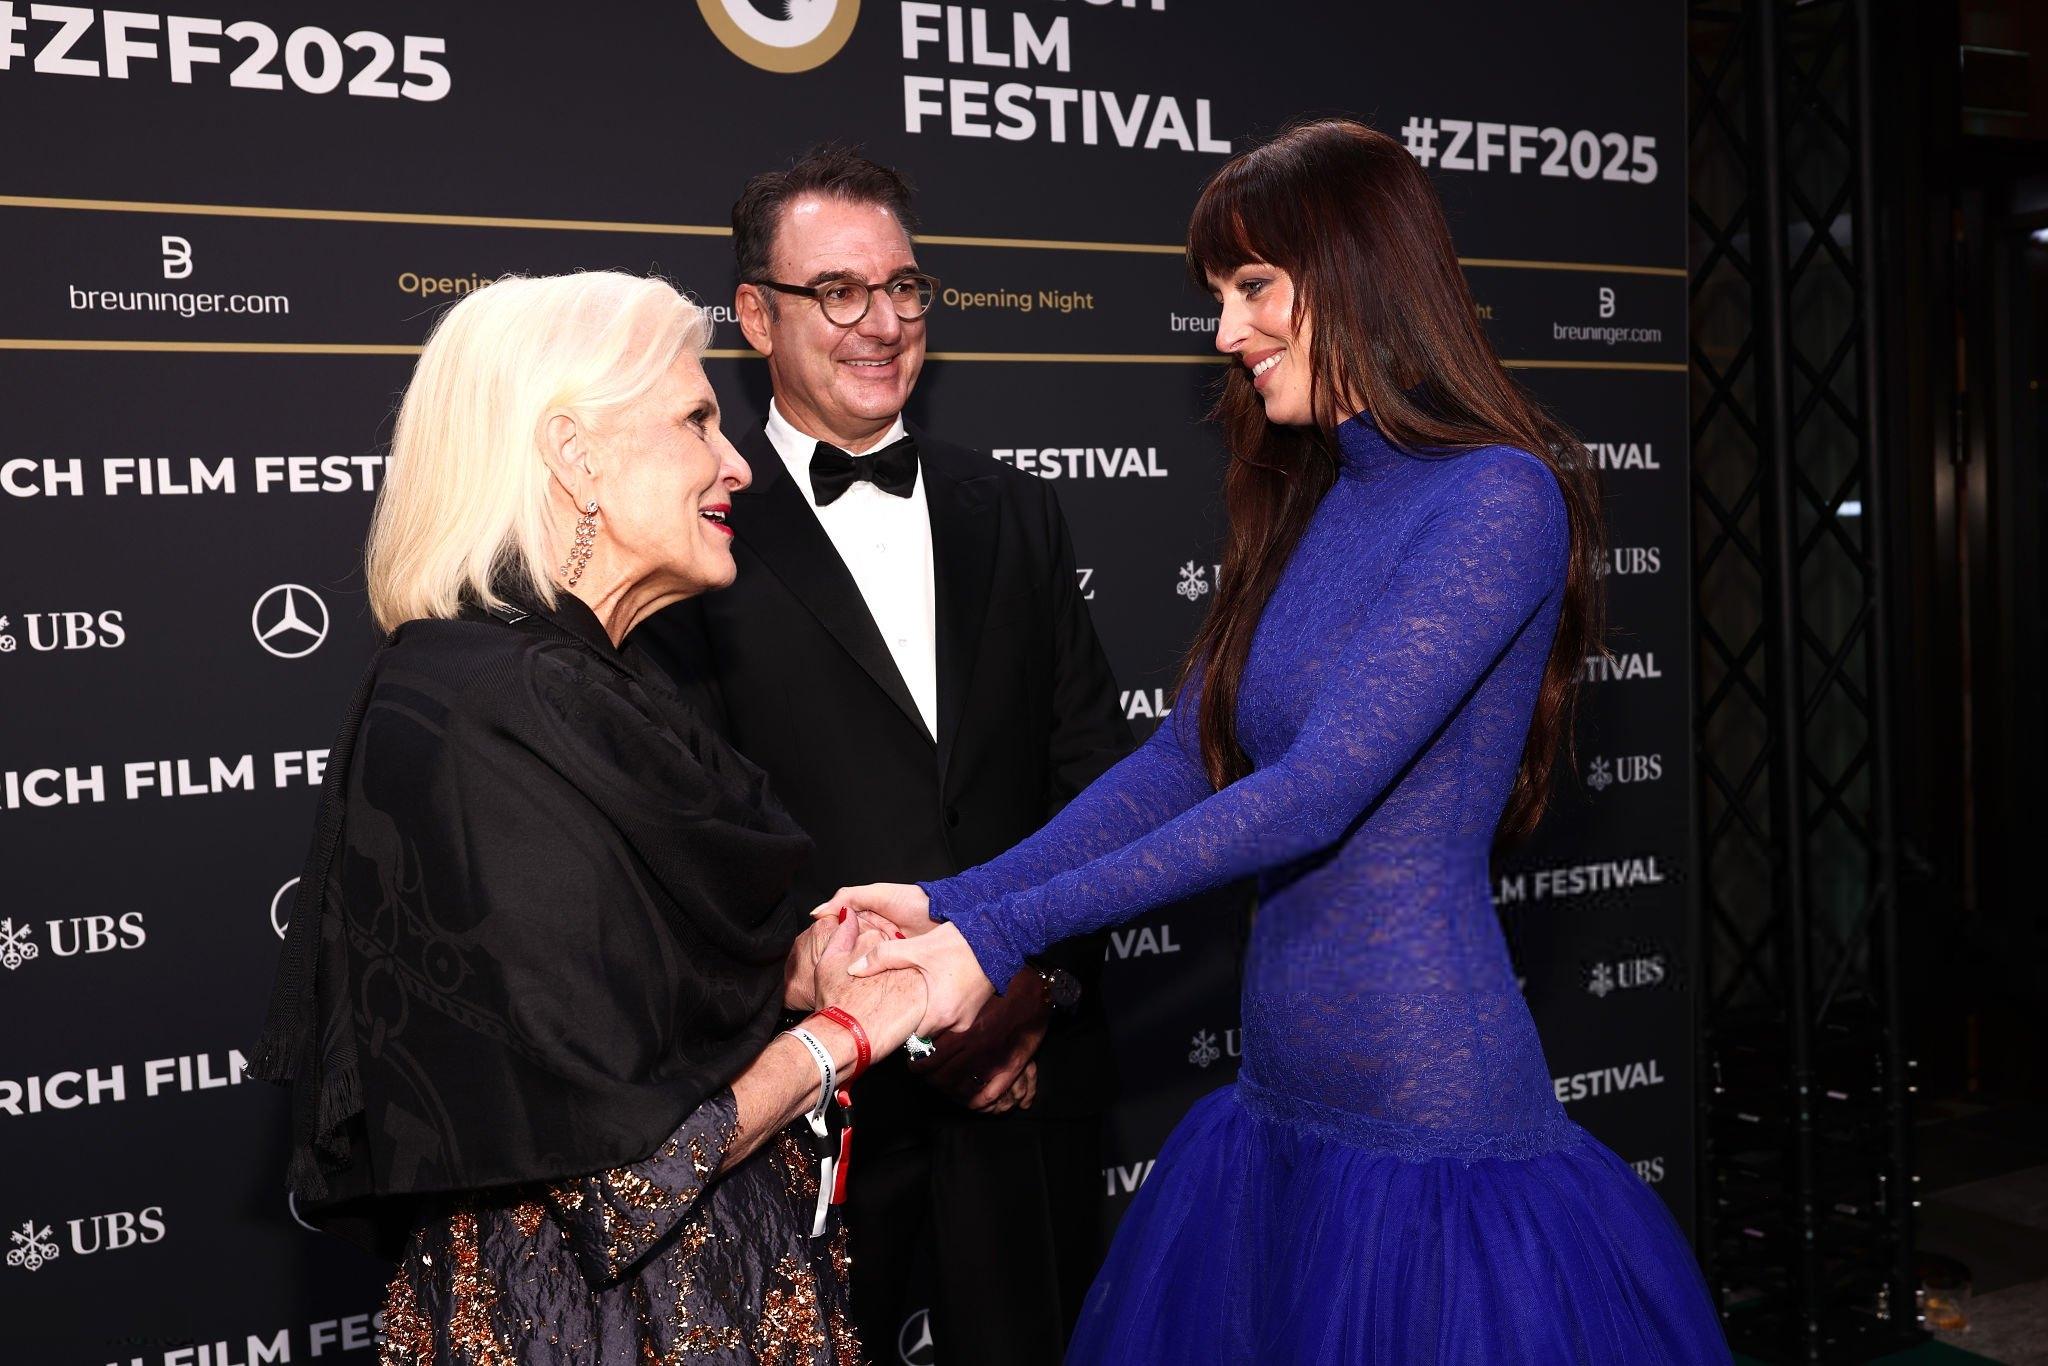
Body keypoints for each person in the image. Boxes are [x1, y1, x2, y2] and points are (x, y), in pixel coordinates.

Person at [830, 120, 1735, 1363]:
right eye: (1217, 295)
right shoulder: (1314, 493)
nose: (1224, 332)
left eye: (1252, 288)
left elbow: (1313, 794)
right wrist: (956, 896)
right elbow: (1175, 762)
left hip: (1428, 1119)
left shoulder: (1495, 496)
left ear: (1363, 271)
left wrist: (997, 936)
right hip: (1275, 1113)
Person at [249, 270, 928, 1364]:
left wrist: (796, 971)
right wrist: (847, 1032)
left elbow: (631, 1007)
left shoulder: (584, 685)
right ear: (575, 455)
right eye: (697, 419)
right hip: (600, 1330)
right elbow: (623, 1177)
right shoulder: (490, 711)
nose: (736, 462)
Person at [636, 146, 1131, 1364]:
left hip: (1018, 1080)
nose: (881, 324)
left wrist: (1027, 992)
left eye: (903, 288)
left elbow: (1093, 778)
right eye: (837, 292)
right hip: (809, 1118)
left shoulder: (1009, 507)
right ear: (754, 316)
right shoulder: (696, 531)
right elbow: (682, 839)